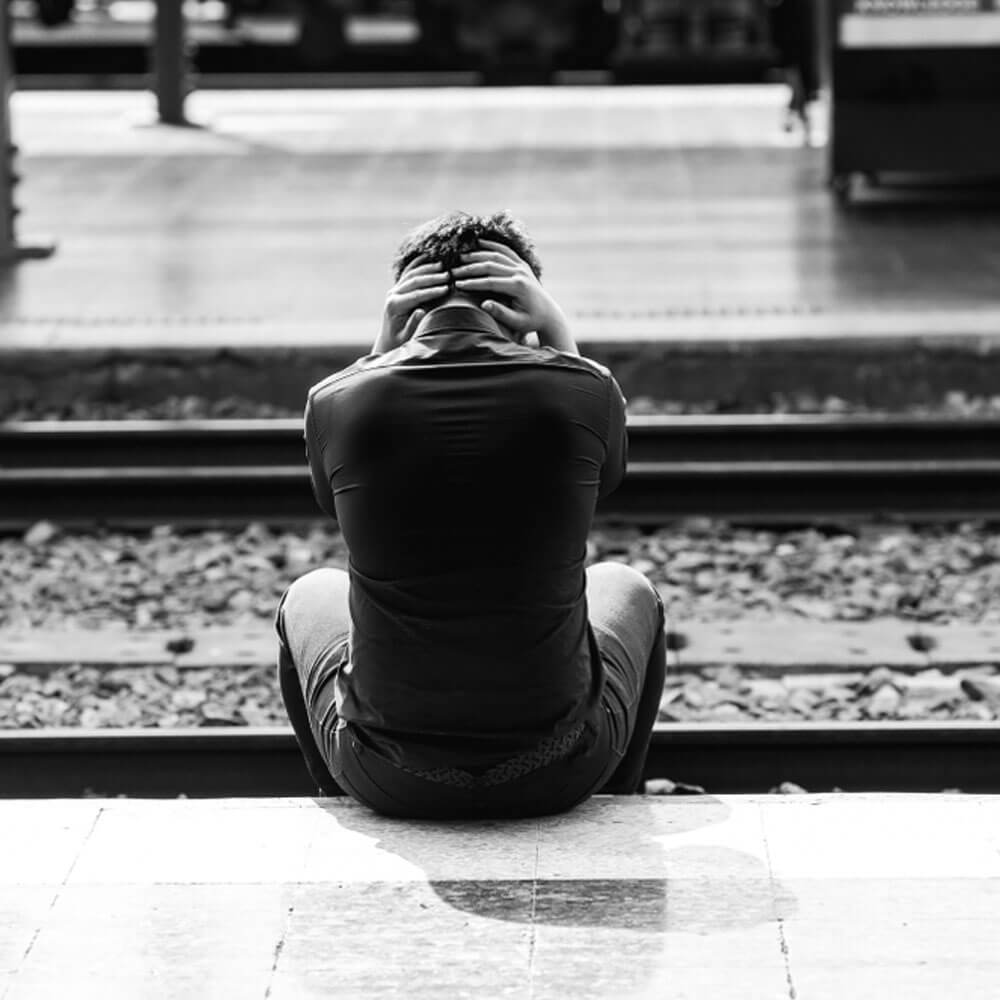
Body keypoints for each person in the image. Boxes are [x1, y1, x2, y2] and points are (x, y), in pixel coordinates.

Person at [275, 210, 666, 819]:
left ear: (406, 307)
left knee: (308, 592)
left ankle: (341, 799)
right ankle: (619, 806)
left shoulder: (333, 399)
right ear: (521, 301)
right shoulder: (587, 389)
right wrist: (558, 332)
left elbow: (331, 498)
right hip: (559, 770)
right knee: (627, 585)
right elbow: (607, 476)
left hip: (389, 777)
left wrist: (380, 352)